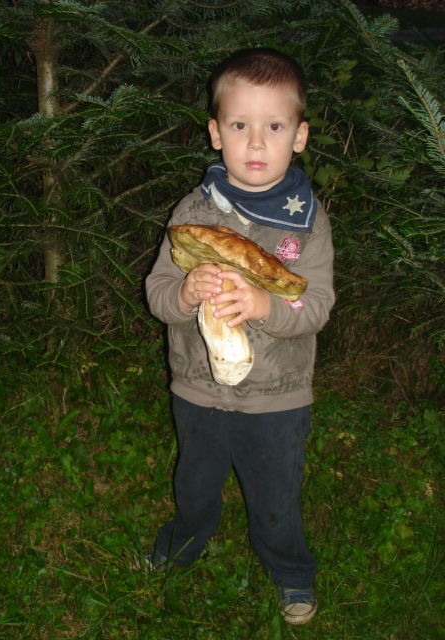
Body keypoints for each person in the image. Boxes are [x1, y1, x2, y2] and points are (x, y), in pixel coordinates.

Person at [145, 47, 334, 626]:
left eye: (274, 126)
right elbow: (157, 292)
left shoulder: (306, 223)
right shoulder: (194, 211)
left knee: (275, 496)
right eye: (240, 125)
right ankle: (183, 543)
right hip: (199, 390)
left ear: (298, 136)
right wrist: (183, 294)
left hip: (276, 397)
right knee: (194, 481)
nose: (256, 143)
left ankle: (290, 572)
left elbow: (316, 305)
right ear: (214, 132)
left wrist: (265, 304)